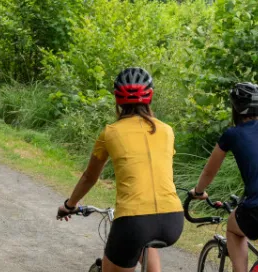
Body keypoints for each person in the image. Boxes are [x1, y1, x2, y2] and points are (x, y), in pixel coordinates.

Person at [57, 67, 183, 272]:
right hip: (172, 220)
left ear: (117, 99)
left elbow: (90, 176)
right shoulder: (167, 131)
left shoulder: (110, 132)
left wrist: (70, 205)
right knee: (146, 241)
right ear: (150, 96)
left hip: (133, 221)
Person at [190, 82, 258, 272]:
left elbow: (210, 171)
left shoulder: (232, 134)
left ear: (236, 108)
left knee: (234, 230)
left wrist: (199, 191)